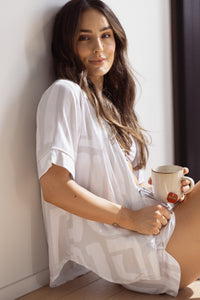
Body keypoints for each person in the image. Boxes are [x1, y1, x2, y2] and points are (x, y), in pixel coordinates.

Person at [36, 0, 200, 296]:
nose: (98, 47)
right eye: (84, 38)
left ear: (116, 39)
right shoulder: (64, 93)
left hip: (151, 231)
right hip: (137, 251)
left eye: (106, 35)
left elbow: (122, 187)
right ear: (66, 46)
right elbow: (54, 187)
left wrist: (163, 192)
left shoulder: (110, 106)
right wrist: (129, 217)